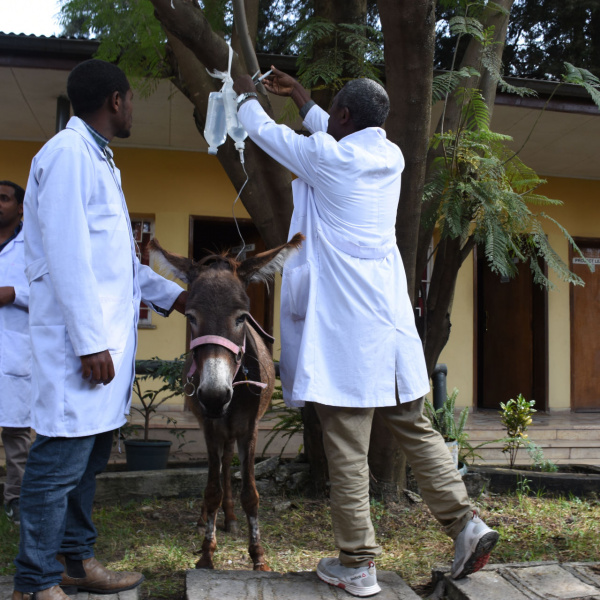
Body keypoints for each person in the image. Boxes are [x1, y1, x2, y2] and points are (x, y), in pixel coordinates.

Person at [233, 68, 499, 598]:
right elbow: (329, 137)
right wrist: (305, 98)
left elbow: (266, 133)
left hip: (347, 336)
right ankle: (466, 524)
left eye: (334, 114)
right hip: (390, 327)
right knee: (417, 429)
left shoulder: (329, 160)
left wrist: (240, 95)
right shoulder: (391, 158)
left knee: (348, 446)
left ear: (345, 118)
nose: (327, 120)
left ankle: (357, 562)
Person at [13, 59, 188, 600]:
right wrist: (90, 342)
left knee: (84, 466)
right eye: (132, 98)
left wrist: (181, 297)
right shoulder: (68, 157)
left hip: (102, 348)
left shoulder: (101, 162)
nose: (134, 107)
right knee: (55, 465)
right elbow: (67, 258)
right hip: (80, 350)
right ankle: (35, 583)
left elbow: (117, 266)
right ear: (115, 100)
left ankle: (76, 562)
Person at [0, 180, 31, 528]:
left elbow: (50, 294)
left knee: (17, 434)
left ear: (20, 208)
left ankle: (17, 501)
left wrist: (13, 294)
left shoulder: (31, 247)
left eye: (4, 198)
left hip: (14, 351)